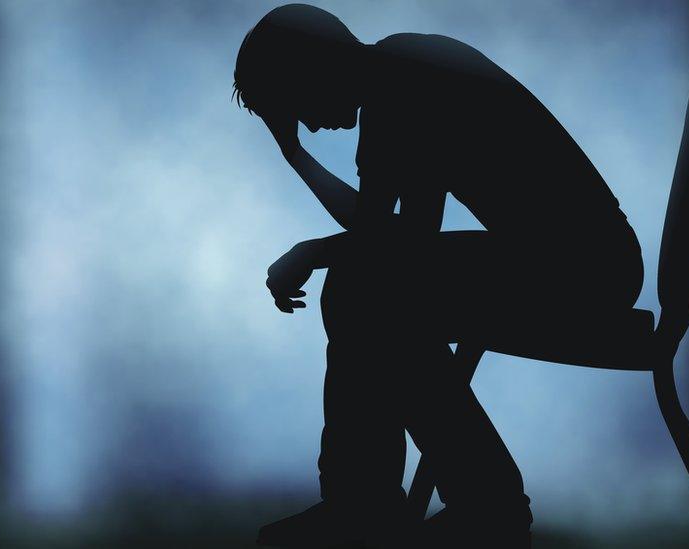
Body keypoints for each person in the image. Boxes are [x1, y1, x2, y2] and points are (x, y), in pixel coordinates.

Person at [233, 4, 643, 548]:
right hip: (572, 259)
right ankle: (371, 503)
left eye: (295, 106)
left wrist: (311, 252)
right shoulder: (395, 73)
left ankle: (478, 502)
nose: (307, 123)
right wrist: (294, 155)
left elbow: (401, 243)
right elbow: (384, 232)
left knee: (365, 291)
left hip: (586, 268)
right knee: (365, 285)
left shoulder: (404, 83)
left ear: (311, 69)